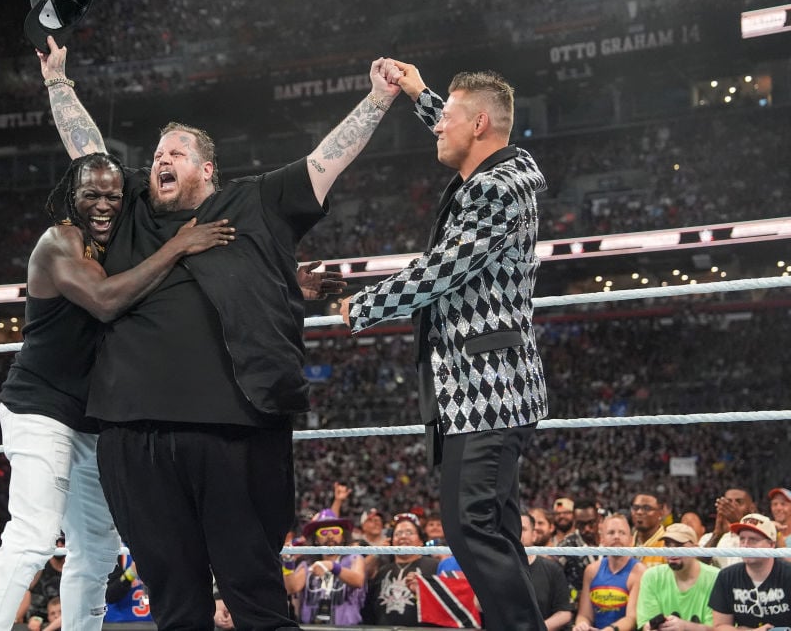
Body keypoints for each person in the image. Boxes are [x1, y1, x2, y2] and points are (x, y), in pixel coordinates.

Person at [41, 36, 396, 629]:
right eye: (157, 153)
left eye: (176, 152)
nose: (161, 159)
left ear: (206, 168)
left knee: (252, 588)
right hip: (135, 433)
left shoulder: (252, 200)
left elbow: (325, 161)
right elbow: (86, 151)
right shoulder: (128, 206)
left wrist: (378, 98)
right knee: (174, 595)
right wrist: (58, 81)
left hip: (234, 429)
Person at [0, 150, 239, 631]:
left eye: (112, 196)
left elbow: (191, 289)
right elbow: (105, 301)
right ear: (71, 197)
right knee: (32, 535)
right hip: (40, 408)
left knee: (96, 551)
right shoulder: (60, 242)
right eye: (90, 194)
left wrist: (290, 285)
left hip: (93, 420)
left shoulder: (126, 249)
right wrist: (178, 245)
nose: (102, 204)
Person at [341, 60, 549, 631]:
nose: (438, 127)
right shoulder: (505, 166)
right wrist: (420, 93)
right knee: (493, 527)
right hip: (486, 386)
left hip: (488, 390)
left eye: (447, 118)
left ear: (479, 123)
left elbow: (442, 270)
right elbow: (462, 134)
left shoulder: (494, 191)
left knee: (470, 526)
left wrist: (363, 306)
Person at [708, 513, 791, 629]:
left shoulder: (787, 574)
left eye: (753, 540)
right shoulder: (727, 576)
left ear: (771, 544)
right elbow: (720, 626)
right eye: (742, 539)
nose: (745, 545)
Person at [287, 509, 366, 625]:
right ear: (316, 540)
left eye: (335, 531)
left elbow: (358, 580)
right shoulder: (308, 564)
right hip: (312, 628)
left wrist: (332, 566)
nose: (330, 536)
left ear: (343, 537)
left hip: (346, 629)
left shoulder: (354, 558)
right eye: (323, 533)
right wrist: (287, 562)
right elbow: (291, 588)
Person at [634, 523, 718, 631]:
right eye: (668, 544)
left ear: (695, 549)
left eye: (679, 545)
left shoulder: (716, 578)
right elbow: (646, 623)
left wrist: (684, 627)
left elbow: (720, 628)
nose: (672, 551)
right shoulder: (651, 577)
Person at [363, 513, 439, 625]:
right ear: (392, 542)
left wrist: (422, 591)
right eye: (398, 533)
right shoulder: (383, 571)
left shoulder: (435, 567)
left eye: (409, 532)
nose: (403, 536)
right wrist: (377, 552)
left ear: (420, 542)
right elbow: (369, 609)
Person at [574, 513, 646, 631]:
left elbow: (632, 618)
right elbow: (584, 615)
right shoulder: (591, 571)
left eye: (622, 533)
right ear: (602, 539)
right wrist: (582, 625)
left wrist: (608, 630)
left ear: (631, 539)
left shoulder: (639, 571)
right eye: (611, 533)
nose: (616, 537)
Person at [521, 512, 574, 631]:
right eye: (513, 529)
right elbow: (480, 605)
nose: (517, 533)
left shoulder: (552, 568)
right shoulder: (499, 568)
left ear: (534, 535)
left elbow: (564, 612)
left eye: (523, 529)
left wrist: (537, 628)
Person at [700, 487, 756, 569]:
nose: (732, 507)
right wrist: (717, 536)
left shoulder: (760, 538)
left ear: (752, 508)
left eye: (738, 502)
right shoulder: (708, 538)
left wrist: (739, 525)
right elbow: (698, 568)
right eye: (728, 502)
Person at [559, 498, 600, 601]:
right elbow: (553, 576)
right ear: (575, 523)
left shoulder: (609, 542)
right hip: (578, 607)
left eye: (591, 523)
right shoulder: (566, 546)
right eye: (581, 524)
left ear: (598, 519)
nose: (586, 529)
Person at [631, 491, 668, 567]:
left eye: (647, 508)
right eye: (635, 508)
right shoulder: (626, 543)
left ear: (661, 512)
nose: (639, 512)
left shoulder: (668, 545)